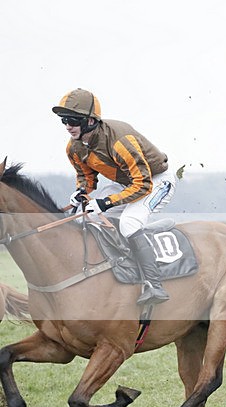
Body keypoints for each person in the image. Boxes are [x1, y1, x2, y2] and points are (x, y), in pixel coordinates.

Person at [52, 88, 176, 305]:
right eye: (63, 120)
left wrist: (105, 202)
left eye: (72, 119)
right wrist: (81, 192)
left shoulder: (121, 141)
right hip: (127, 183)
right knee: (91, 218)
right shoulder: (74, 148)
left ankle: (154, 285)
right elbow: (86, 176)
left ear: (90, 121)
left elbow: (143, 184)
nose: (67, 125)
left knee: (128, 222)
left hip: (156, 181)